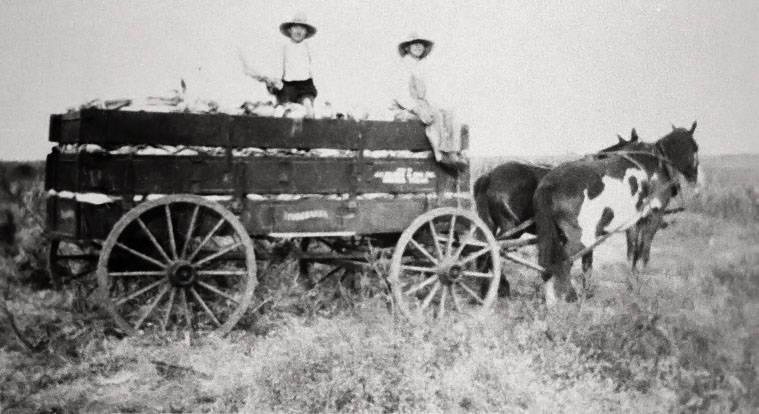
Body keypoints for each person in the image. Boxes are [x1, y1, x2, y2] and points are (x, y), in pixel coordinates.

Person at [392, 33, 467, 171]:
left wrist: (437, 106)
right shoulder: (402, 66)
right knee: (434, 117)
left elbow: (427, 95)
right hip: (403, 109)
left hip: (420, 105)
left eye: (421, 44)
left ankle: (452, 152)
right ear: (407, 48)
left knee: (449, 113)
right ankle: (439, 154)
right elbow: (400, 95)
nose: (418, 47)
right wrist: (419, 110)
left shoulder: (420, 67)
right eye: (414, 44)